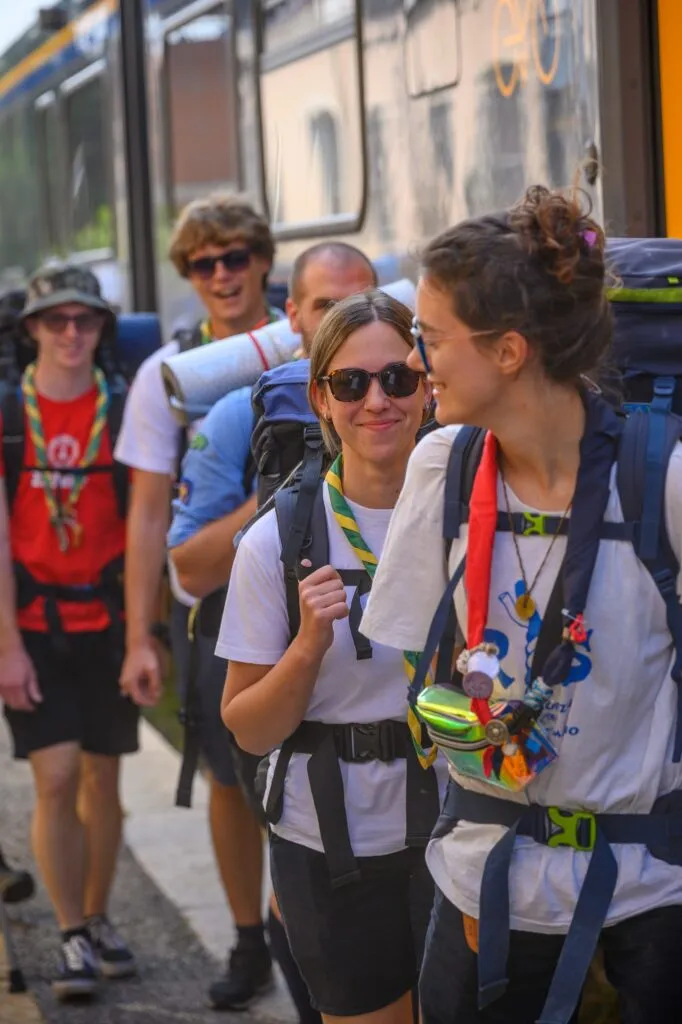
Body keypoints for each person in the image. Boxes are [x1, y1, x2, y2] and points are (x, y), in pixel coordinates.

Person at [360, 187, 682, 1024]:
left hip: (653, 882)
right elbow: (413, 656)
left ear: (508, 351)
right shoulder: (444, 466)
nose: (418, 363)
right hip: (487, 870)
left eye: (432, 339)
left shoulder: (664, 480)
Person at [219, 290, 449, 1024]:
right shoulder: (279, 540)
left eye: (399, 378)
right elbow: (249, 729)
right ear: (321, 398)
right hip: (329, 843)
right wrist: (307, 648)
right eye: (351, 383)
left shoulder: (472, 516)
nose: (377, 401)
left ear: (428, 387)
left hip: (461, 833)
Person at [168, 242, 378, 1022]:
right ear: (293, 316)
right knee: (285, 846)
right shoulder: (241, 414)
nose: (349, 319)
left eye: (364, 298)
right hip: (258, 657)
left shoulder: (406, 401)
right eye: (327, 306)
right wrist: (286, 508)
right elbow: (187, 566)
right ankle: (256, 943)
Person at [115, 194, 281, 1010]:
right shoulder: (168, 373)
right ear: (187, 273)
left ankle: (300, 931)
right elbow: (148, 512)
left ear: (263, 260)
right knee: (227, 774)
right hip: (212, 602)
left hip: (308, 590)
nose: (222, 274)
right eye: (204, 263)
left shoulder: (307, 343)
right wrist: (139, 636)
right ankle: (250, 939)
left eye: (236, 256)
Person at [0, 266, 138, 999]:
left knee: (102, 779)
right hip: (34, 624)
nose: (72, 332)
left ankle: (97, 913)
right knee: (55, 778)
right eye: (56, 320)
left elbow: (146, 522)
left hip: (107, 622)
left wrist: (145, 634)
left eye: (85, 319)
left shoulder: (122, 408)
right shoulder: (7, 414)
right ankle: (70, 932)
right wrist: (6, 648)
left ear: (100, 327)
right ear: (32, 330)